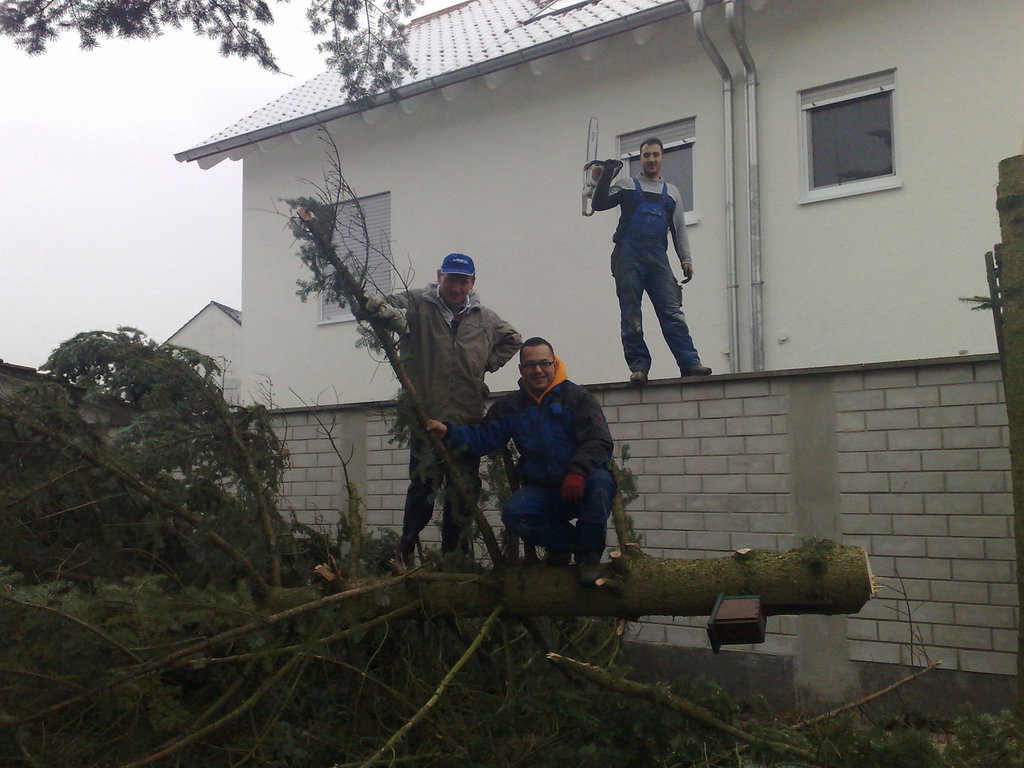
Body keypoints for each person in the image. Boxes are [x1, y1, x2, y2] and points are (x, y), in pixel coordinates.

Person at [363, 253, 521, 566]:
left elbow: (513, 340)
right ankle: (407, 544)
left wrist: (485, 365)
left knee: (463, 491)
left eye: (463, 281)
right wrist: (377, 307)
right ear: (439, 277)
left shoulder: (485, 318)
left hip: (467, 419)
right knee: (423, 486)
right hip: (427, 415)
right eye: (451, 280)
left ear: (472, 282)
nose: (457, 287)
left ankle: (455, 559)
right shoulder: (417, 303)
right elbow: (382, 307)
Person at [425, 337, 615, 585]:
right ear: (521, 369)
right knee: (517, 514)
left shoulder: (578, 398)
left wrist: (578, 472)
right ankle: (565, 544)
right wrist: (449, 432)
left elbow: (600, 441)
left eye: (544, 363)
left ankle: (588, 560)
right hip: (544, 489)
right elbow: (483, 437)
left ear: (555, 364)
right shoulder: (511, 406)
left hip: (582, 483)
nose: (538, 370)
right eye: (530, 365)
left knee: (601, 484)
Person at [591, 137, 712, 385]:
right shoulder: (627, 185)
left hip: (658, 261)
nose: (651, 159)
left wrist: (685, 259)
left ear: (662, 157)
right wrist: (606, 175)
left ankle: (690, 363)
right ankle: (639, 367)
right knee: (631, 315)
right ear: (641, 158)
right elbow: (599, 203)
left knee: (672, 313)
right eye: (646, 155)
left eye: (655, 154)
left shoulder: (672, 193)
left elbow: (679, 229)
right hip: (628, 258)